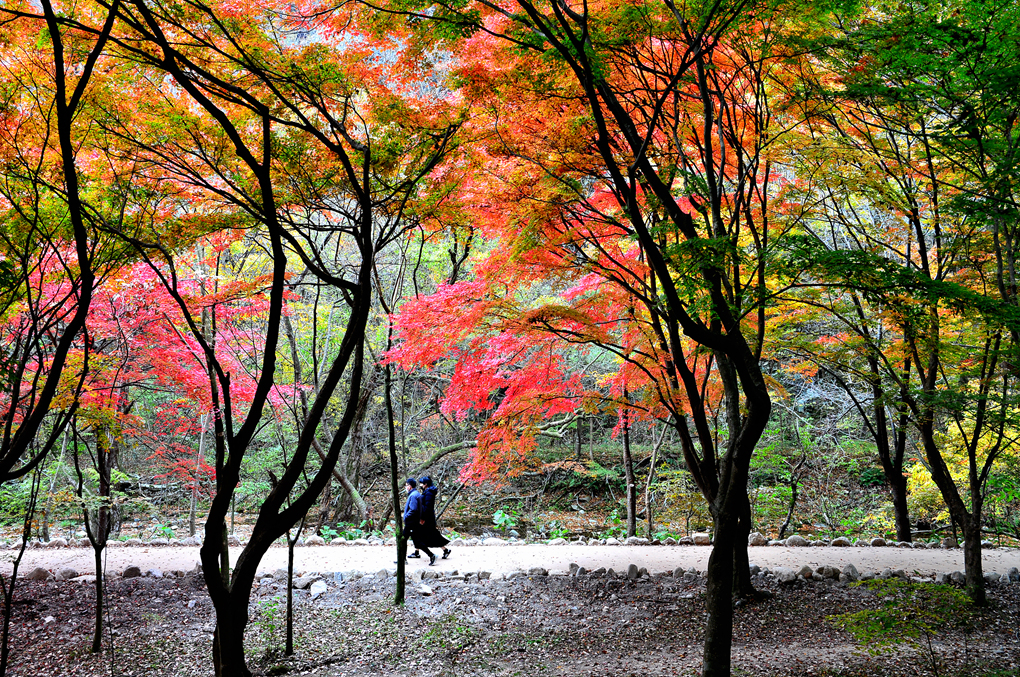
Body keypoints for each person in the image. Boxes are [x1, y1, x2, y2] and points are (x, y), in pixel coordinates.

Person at [401, 478, 438, 565]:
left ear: (410, 486)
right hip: (414, 522)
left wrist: (405, 516)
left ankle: (402, 560)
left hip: (411, 523)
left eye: (406, 485)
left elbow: (413, 509)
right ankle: (431, 555)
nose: (405, 487)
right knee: (415, 541)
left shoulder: (413, 495)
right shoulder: (416, 494)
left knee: (404, 540)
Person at [418, 475, 451, 561]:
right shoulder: (427, 492)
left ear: (425, 484)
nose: (420, 485)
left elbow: (427, 507)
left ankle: (445, 550)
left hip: (428, 518)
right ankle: (417, 552)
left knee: (431, 535)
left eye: (421, 483)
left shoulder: (429, 493)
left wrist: (423, 518)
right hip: (428, 517)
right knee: (423, 534)